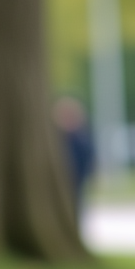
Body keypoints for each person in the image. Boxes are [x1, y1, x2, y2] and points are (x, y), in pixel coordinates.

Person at [52, 96, 93, 224]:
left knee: (76, 206)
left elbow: (87, 157)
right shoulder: (56, 137)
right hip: (60, 179)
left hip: (76, 178)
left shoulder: (80, 137)